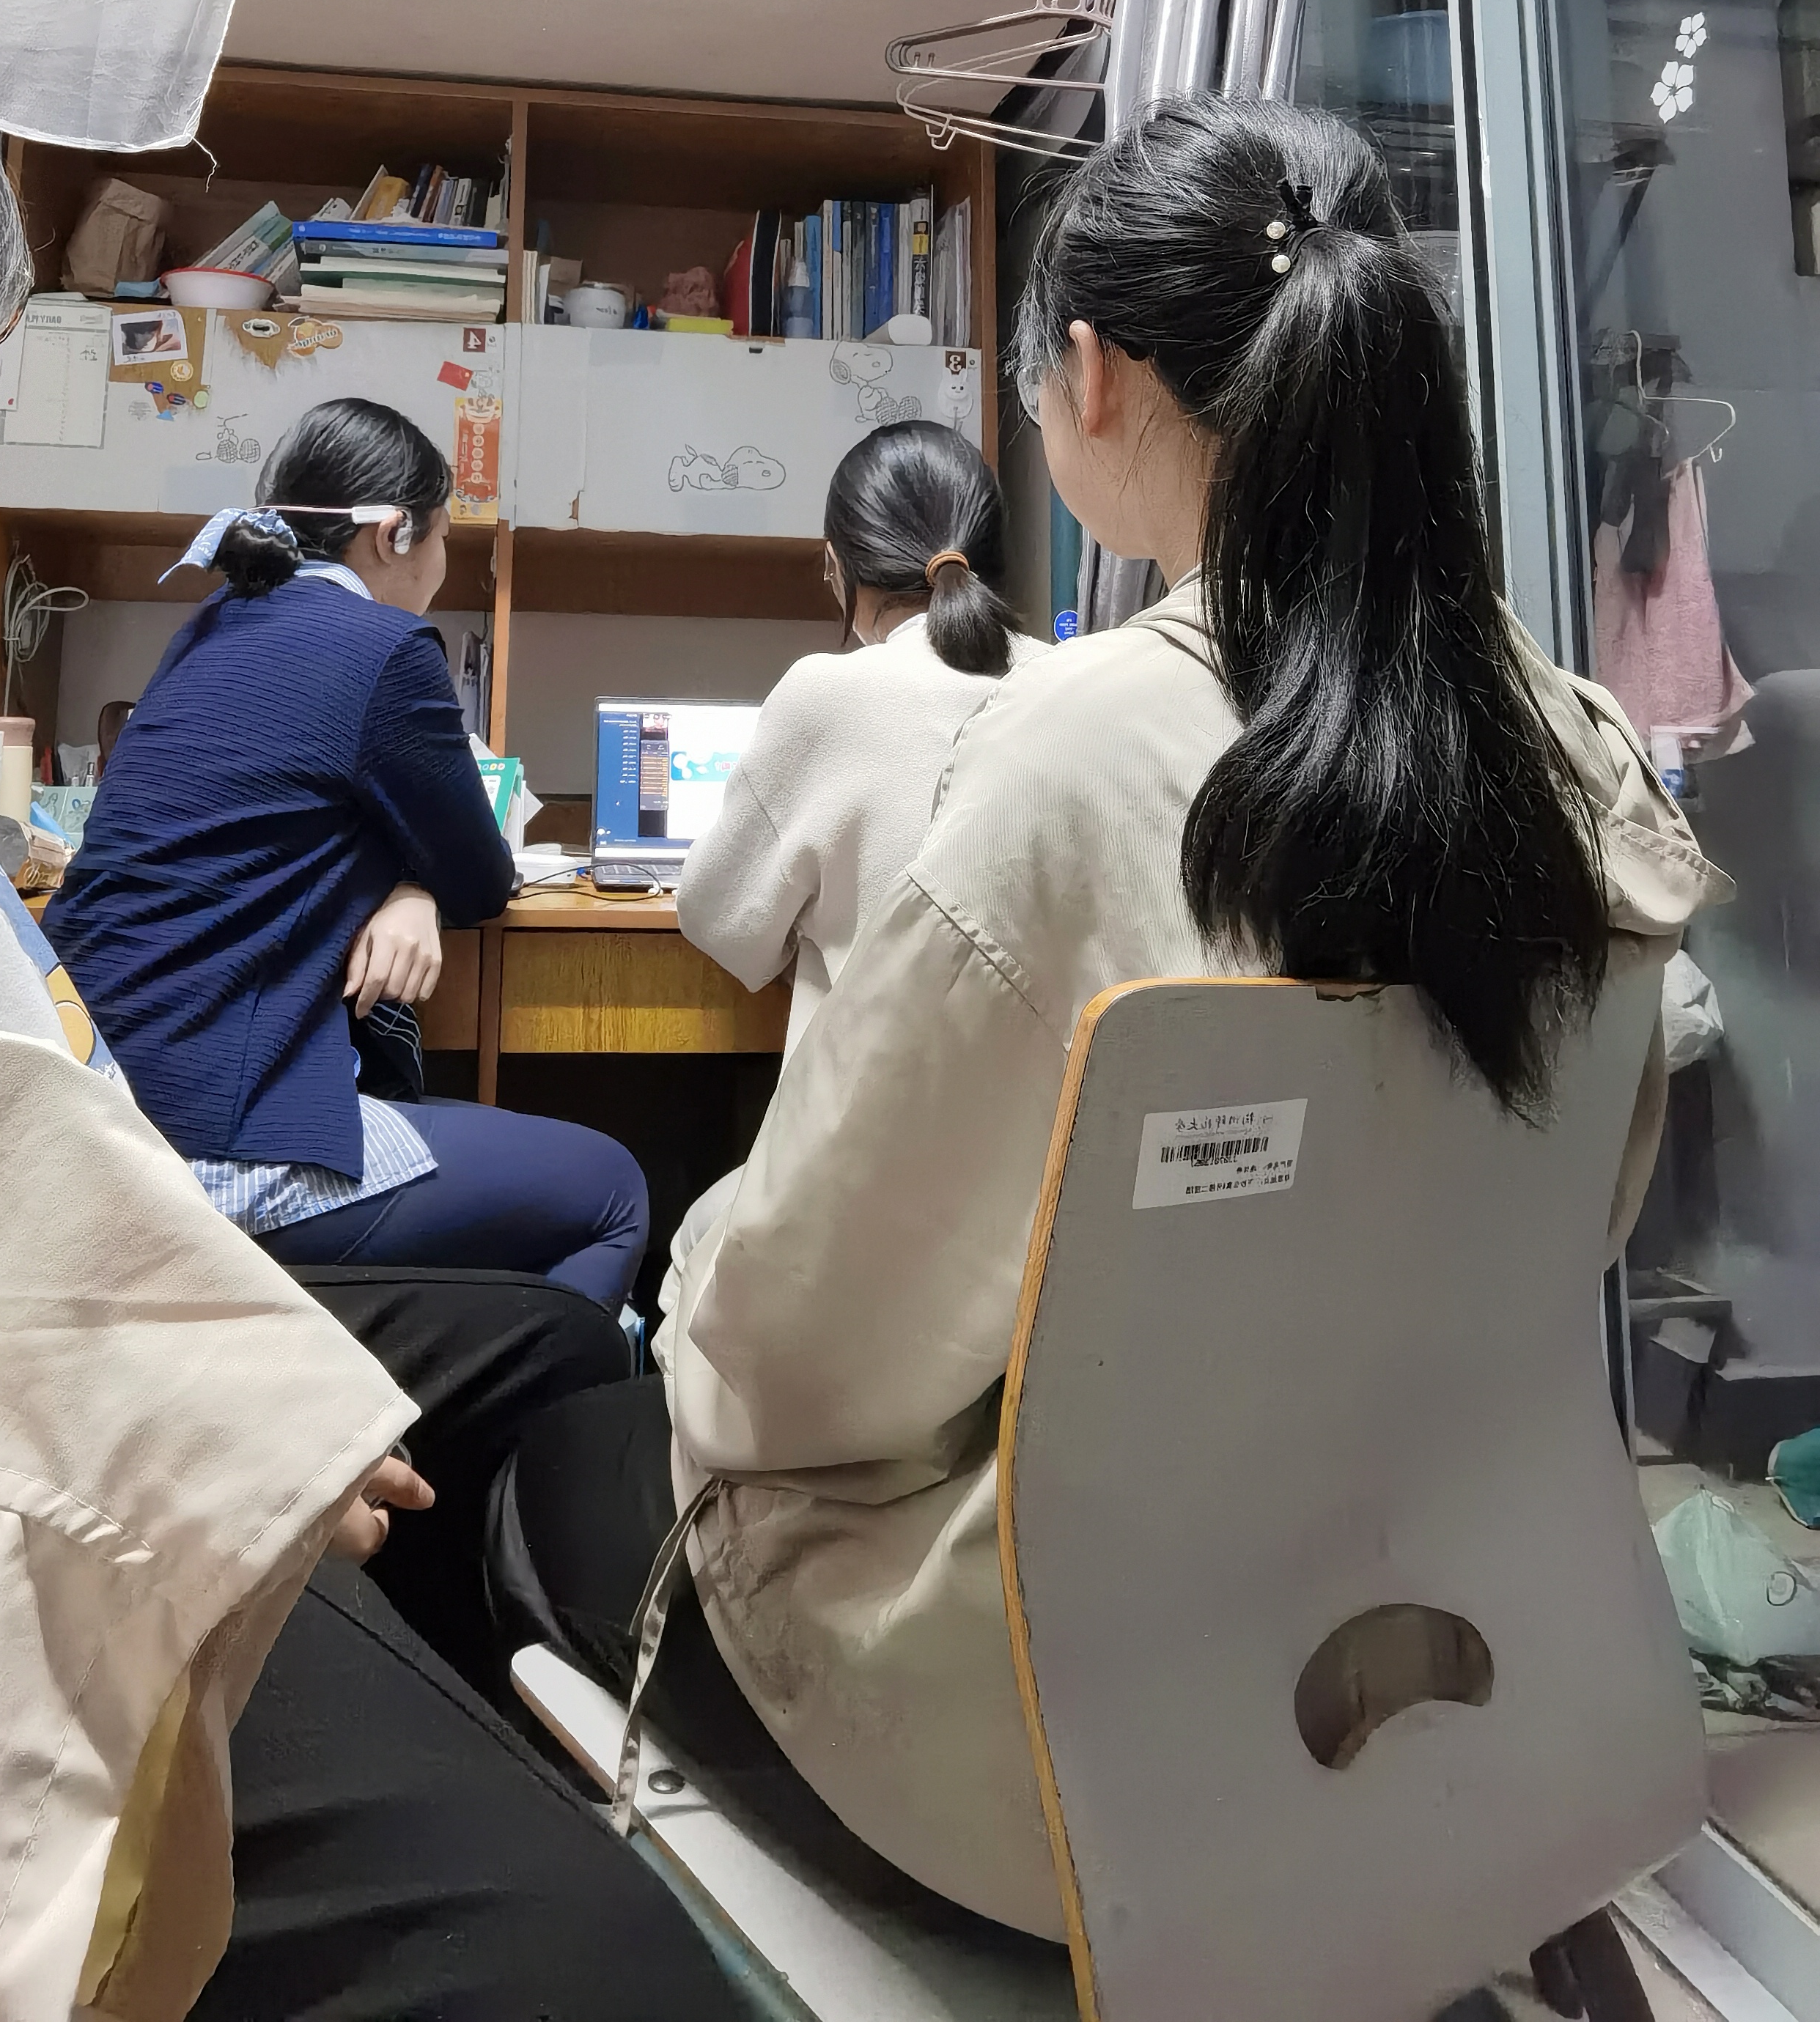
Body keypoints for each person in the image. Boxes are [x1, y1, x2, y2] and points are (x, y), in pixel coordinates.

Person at [0, 0, 751, 2022]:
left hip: (99, 1224)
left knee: (530, 1348)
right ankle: (515, 1777)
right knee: (601, 1218)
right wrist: (209, 1411)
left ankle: (474, 1727)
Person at [493, 93, 1723, 1939]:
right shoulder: (1570, 739)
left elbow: (808, 1363)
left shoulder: (1076, 755)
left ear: (1087, 373)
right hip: (1442, 1665)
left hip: (1071, 1754)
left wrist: (698, 1283)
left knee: (549, 1467)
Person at [45, 396, 649, 1307]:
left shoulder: (203, 630)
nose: (444, 566)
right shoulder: (385, 645)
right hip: (222, 1147)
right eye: (445, 537)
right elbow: (482, 877)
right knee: (613, 1191)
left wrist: (406, 885)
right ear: (394, 532)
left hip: (92, 1115)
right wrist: (423, 881)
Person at [664, 418, 1023, 1273]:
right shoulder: (1074, 682)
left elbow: (717, 916)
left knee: (691, 1240)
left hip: (870, 1186)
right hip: (1033, 1188)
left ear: (838, 566)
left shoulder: (827, 693)